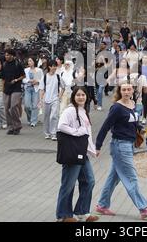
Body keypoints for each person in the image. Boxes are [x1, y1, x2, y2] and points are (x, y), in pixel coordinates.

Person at [94, 82, 147, 220]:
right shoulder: (116, 108)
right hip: (120, 146)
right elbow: (105, 126)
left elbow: (136, 123)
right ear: (120, 91)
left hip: (129, 145)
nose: (126, 92)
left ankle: (102, 205)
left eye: (129, 89)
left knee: (113, 178)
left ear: (132, 91)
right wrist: (98, 145)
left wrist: (144, 131)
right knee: (131, 177)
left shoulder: (133, 105)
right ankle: (144, 208)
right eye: (124, 89)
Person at [56, 87, 99, 222]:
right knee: (68, 184)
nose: (81, 97)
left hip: (82, 152)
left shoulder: (83, 111)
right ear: (73, 97)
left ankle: (82, 211)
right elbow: (61, 126)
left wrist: (93, 149)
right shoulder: (70, 110)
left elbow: (88, 133)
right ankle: (63, 215)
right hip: (72, 153)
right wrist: (77, 132)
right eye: (78, 95)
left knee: (89, 181)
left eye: (83, 95)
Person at [1, 49, 25, 135]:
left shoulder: (18, 64)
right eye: (5, 55)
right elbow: (2, 78)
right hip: (7, 89)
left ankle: (17, 125)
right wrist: (2, 89)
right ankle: (11, 127)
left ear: (12, 55)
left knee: (13, 106)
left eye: (8, 55)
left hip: (16, 88)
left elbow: (23, 75)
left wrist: (16, 80)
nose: (6, 56)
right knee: (6, 108)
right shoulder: (4, 65)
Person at [39, 60, 65, 140]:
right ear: (49, 67)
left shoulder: (58, 76)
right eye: (53, 66)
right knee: (46, 117)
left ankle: (54, 133)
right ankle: (47, 133)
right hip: (46, 99)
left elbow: (63, 87)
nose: (54, 67)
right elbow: (42, 89)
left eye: (55, 66)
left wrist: (59, 97)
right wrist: (41, 100)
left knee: (54, 116)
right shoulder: (45, 77)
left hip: (55, 99)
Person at [23, 57, 44, 127]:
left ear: (34, 62)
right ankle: (29, 118)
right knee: (27, 105)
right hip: (28, 88)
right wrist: (29, 81)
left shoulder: (39, 70)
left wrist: (37, 81)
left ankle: (33, 121)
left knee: (35, 105)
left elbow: (42, 79)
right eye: (28, 61)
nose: (29, 62)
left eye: (30, 61)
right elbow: (23, 79)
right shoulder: (26, 70)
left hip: (36, 89)